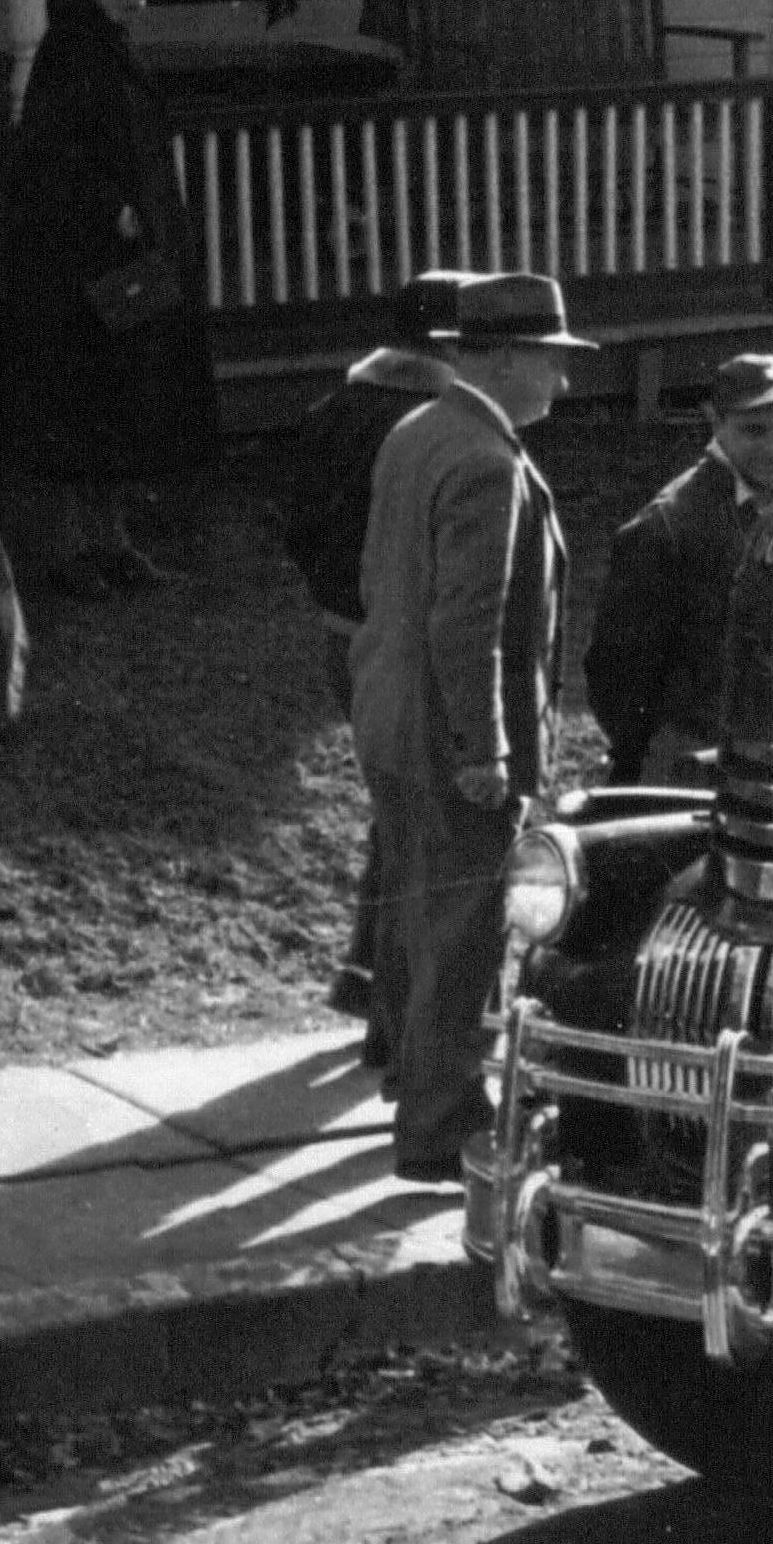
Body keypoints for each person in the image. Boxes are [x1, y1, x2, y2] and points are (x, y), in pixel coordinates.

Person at [353, 270, 583, 1184]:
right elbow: (469, 620)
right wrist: (486, 747)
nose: (562, 383)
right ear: (503, 358)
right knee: (462, 929)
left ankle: (416, 1086)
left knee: (418, 913)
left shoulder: (418, 430)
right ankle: (441, 1126)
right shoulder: (486, 459)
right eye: (552, 361)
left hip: (391, 717)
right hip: (451, 733)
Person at [0, 0, 223, 596]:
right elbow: (49, 153)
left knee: (120, 402)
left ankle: (113, 543)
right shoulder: (72, 49)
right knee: (73, 403)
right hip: (77, 263)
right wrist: (106, 205)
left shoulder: (112, 46)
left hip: (125, 260)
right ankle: (65, 554)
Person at [279, 270, 478, 1044]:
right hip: (410, 637)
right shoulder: (438, 425)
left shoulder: (334, 411)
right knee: (423, 819)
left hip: (342, 630)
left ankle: (367, 980)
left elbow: (298, 527)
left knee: (396, 808)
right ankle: (396, 1012)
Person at [584, 353, 773, 785]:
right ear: (717, 424)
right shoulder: (666, 526)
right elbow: (616, 677)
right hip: (693, 759)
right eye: (754, 430)